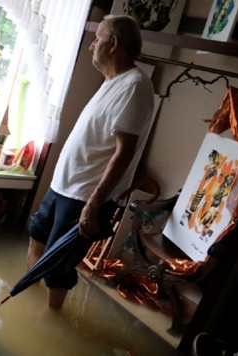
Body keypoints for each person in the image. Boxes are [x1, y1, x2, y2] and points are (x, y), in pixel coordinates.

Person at [26, 14, 155, 309]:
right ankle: (27, 301)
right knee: (37, 238)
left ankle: (48, 322)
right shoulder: (112, 81)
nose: (91, 46)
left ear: (113, 44)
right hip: (63, 186)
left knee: (58, 267)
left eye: (97, 39)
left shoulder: (134, 85)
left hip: (85, 195)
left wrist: (94, 204)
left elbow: (124, 153)